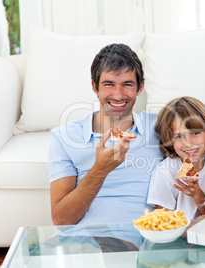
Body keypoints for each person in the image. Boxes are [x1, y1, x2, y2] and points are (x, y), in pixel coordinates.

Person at [48, 43, 164, 249]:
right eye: (109, 84)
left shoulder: (160, 128)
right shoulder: (64, 137)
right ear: (95, 87)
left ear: (140, 88)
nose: (118, 95)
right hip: (85, 243)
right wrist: (99, 170)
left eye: (127, 84)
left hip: (144, 243)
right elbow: (62, 220)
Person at [147, 97, 205, 219]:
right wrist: (190, 227)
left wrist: (198, 195)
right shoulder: (165, 171)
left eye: (195, 133)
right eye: (178, 136)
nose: (188, 143)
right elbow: (163, 222)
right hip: (180, 236)